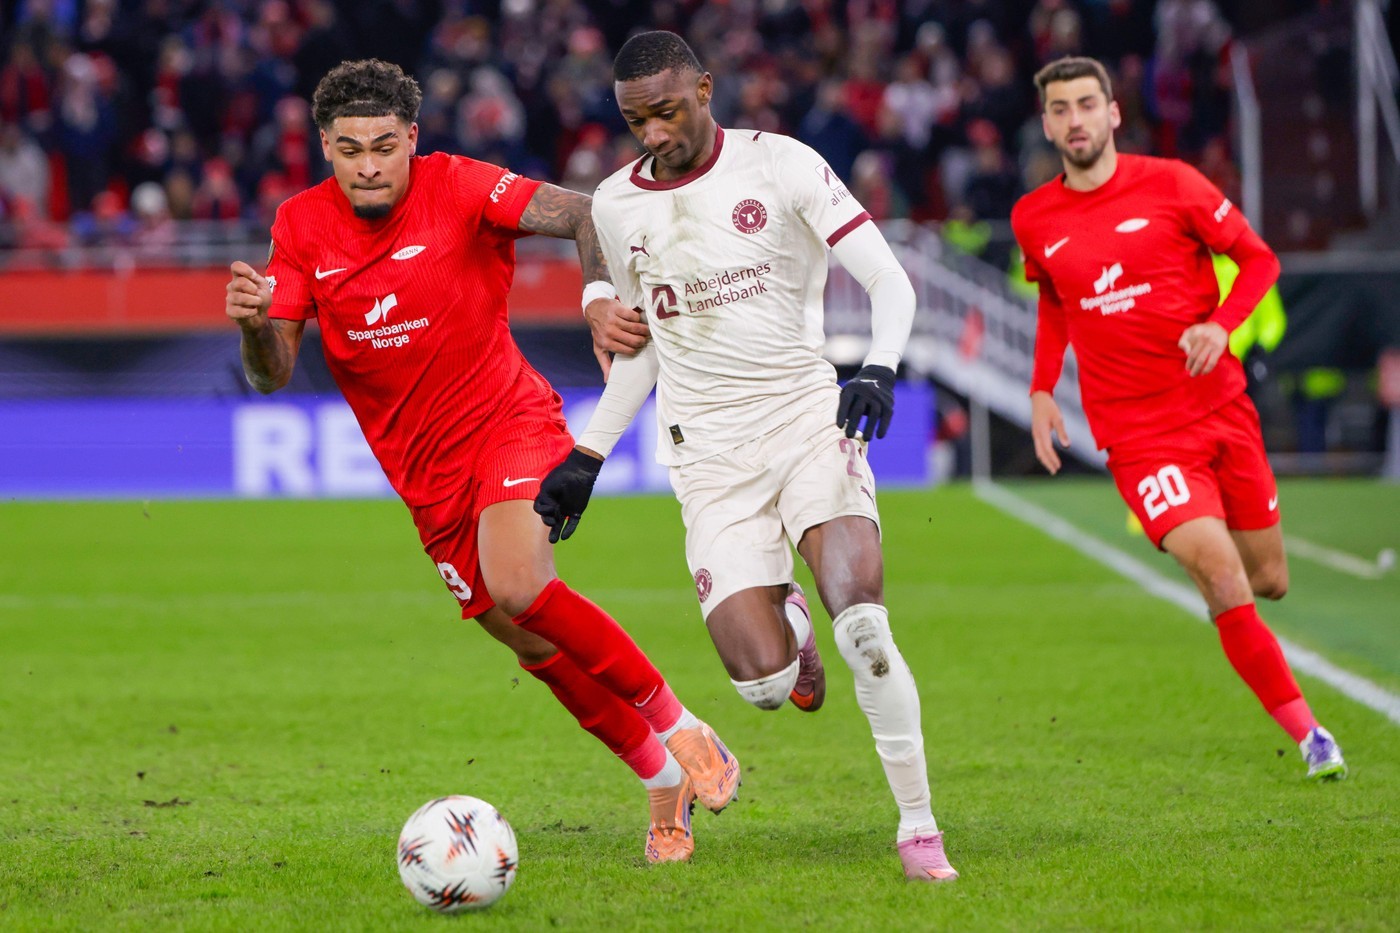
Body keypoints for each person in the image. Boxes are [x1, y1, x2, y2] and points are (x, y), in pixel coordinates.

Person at [222, 58, 740, 867]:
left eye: (384, 146)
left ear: (412, 141)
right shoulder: (299, 226)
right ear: (324, 146)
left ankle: (680, 722)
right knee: (530, 644)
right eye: (350, 148)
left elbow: (585, 211)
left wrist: (598, 300)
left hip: (509, 422)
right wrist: (256, 325)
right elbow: (271, 372)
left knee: (521, 583)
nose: (368, 164)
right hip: (424, 478)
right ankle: (661, 777)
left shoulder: (460, 185)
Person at [533, 32, 958, 882]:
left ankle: (918, 828)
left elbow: (891, 282)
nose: (651, 132)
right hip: (709, 457)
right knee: (762, 683)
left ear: (705, 87)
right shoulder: (616, 205)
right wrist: (587, 453)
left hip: (808, 422)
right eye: (633, 120)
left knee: (866, 625)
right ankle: (790, 632)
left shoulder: (783, 165)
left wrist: (876, 368)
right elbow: (649, 343)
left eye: (665, 111)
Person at [1010, 56, 1347, 780]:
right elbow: (1053, 300)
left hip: (1221, 411)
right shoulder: (1032, 217)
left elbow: (1258, 261)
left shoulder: (1173, 183)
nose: (1075, 120)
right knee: (1221, 573)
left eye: (1087, 105)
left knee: (1268, 578)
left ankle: (1241, 617)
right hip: (1137, 435)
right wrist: (1042, 388)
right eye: (1061, 109)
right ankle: (1311, 733)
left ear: (1113, 113)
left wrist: (1222, 325)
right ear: (1046, 123)